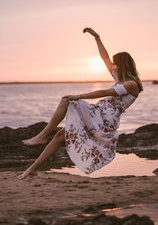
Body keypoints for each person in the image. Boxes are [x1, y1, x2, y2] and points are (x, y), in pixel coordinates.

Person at [18, 27, 143, 179]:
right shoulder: (120, 79)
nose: (113, 66)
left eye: (116, 64)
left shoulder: (132, 84)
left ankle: (42, 135)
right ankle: (32, 167)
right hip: (97, 112)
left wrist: (78, 96)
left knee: (67, 100)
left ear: (123, 65)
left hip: (104, 120)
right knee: (59, 137)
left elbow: (104, 93)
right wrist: (97, 37)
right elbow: (104, 58)